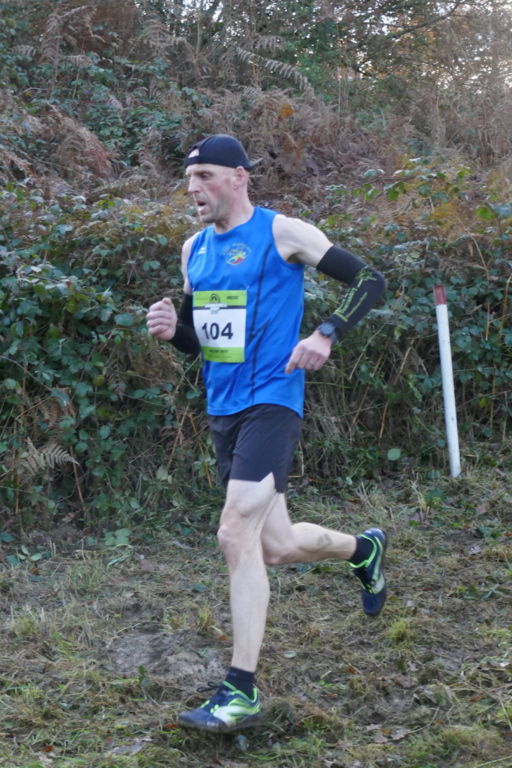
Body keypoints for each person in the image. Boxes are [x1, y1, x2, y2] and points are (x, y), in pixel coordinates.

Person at [146, 134, 388, 733]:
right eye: (189, 178)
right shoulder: (193, 250)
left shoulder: (284, 233)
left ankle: (241, 690)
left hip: (273, 401)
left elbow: (370, 282)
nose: (193, 188)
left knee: (234, 532)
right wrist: (173, 332)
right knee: (275, 546)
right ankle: (363, 550)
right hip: (224, 408)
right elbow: (203, 344)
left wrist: (326, 333)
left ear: (239, 177)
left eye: (204, 175)